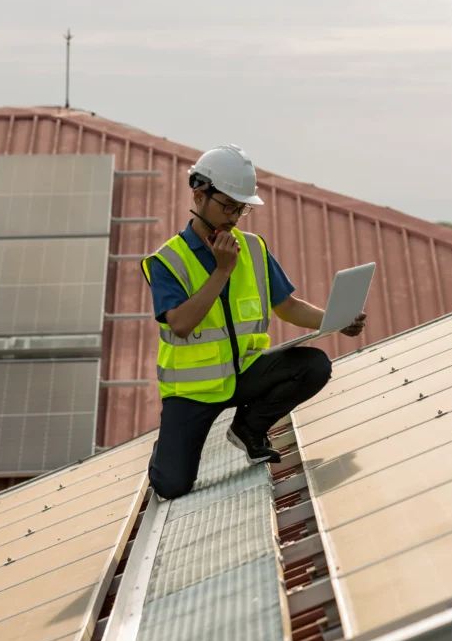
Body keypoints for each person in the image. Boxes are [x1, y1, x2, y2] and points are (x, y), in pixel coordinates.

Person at [140, 144, 367, 499]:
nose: (233, 217)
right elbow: (180, 325)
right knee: (171, 486)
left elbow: (288, 306)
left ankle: (249, 427)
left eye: (241, 208)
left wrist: (336, 320)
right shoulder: (166, 262)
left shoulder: (254, 248)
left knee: (314, 365)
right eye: (227, 206)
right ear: (199, 195)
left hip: (245, 372)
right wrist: (221, 271)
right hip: (192, 392)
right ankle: (170, 448)